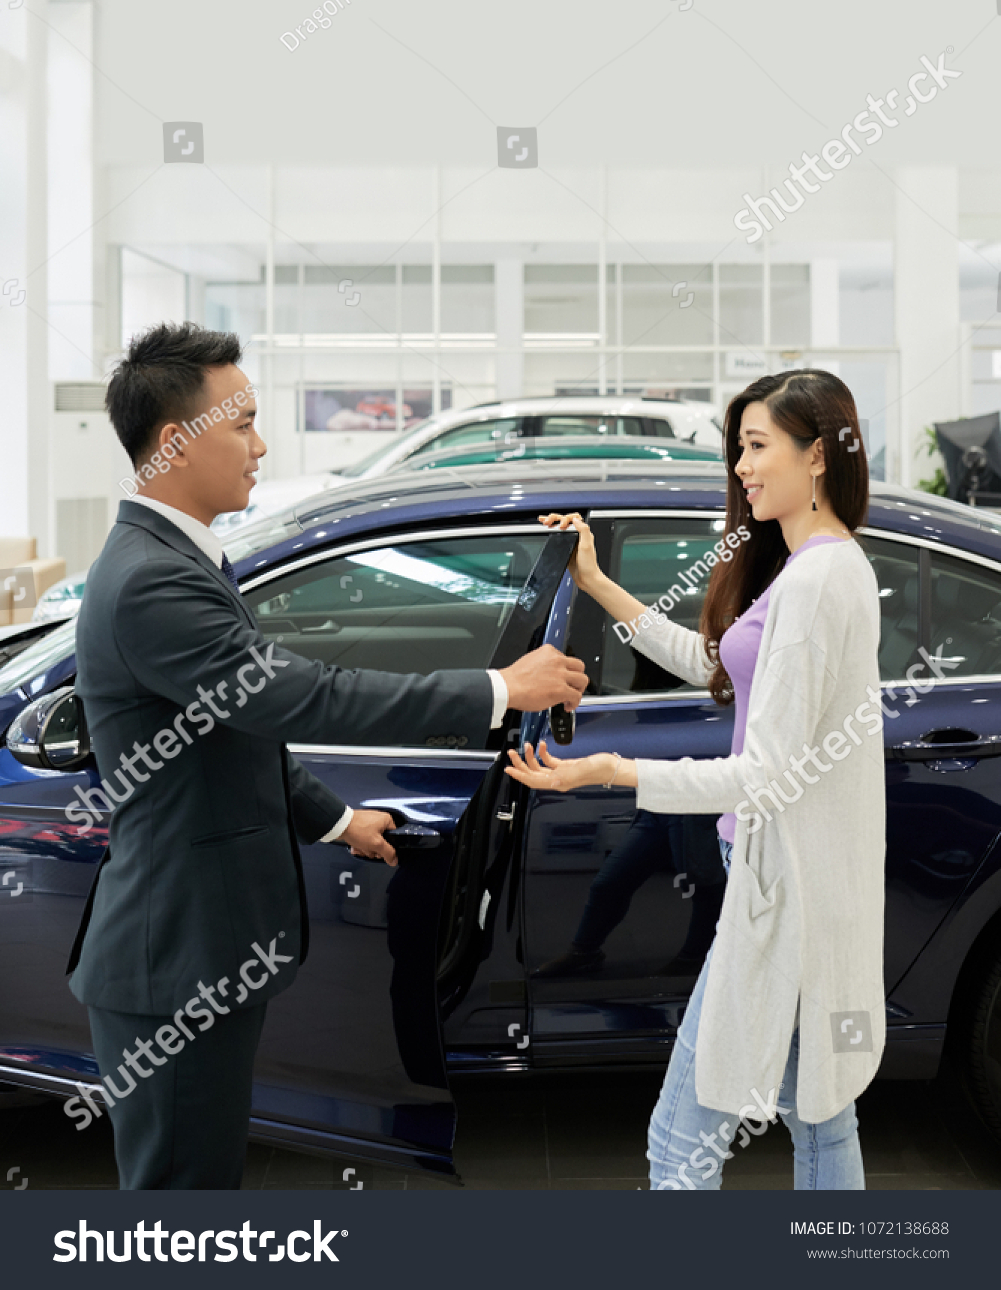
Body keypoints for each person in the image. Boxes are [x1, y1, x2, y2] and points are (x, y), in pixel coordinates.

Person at [67, 323, 587, 1190]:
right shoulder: (153, 580)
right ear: (175, 442)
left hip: (195, 953)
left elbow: (234, 729)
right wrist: (498, 689)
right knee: (178, 1202)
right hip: (175, 965)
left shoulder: (174, 558)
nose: (260, 445)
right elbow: (301, 695)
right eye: (243, 422)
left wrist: (338, 820)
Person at [506, 369, 884, 1191]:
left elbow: (766, 772)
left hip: (781, 892)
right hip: (795, 883)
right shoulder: (819, 564)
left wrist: (609, 770)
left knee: (681, 1139)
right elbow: (710, 662)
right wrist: (596, 582)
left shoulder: (814, 580)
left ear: (816, 455)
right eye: (737, 448)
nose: (740, 468)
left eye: (756, 446)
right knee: (821, 1114)